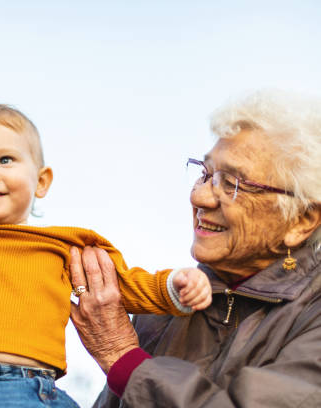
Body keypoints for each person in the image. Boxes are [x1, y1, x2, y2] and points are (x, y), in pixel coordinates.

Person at [0, 104, 212, 407]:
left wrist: (174, 285)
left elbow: (120, 283)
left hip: (49, 392)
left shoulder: (63, 245)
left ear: (42, 181)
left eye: (5, 160)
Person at [69, 89, 321, 407]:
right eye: (205, 174)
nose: (200, 197)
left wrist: (123, 359)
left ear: (302, 219)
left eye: (232, 184)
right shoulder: (165, 308)